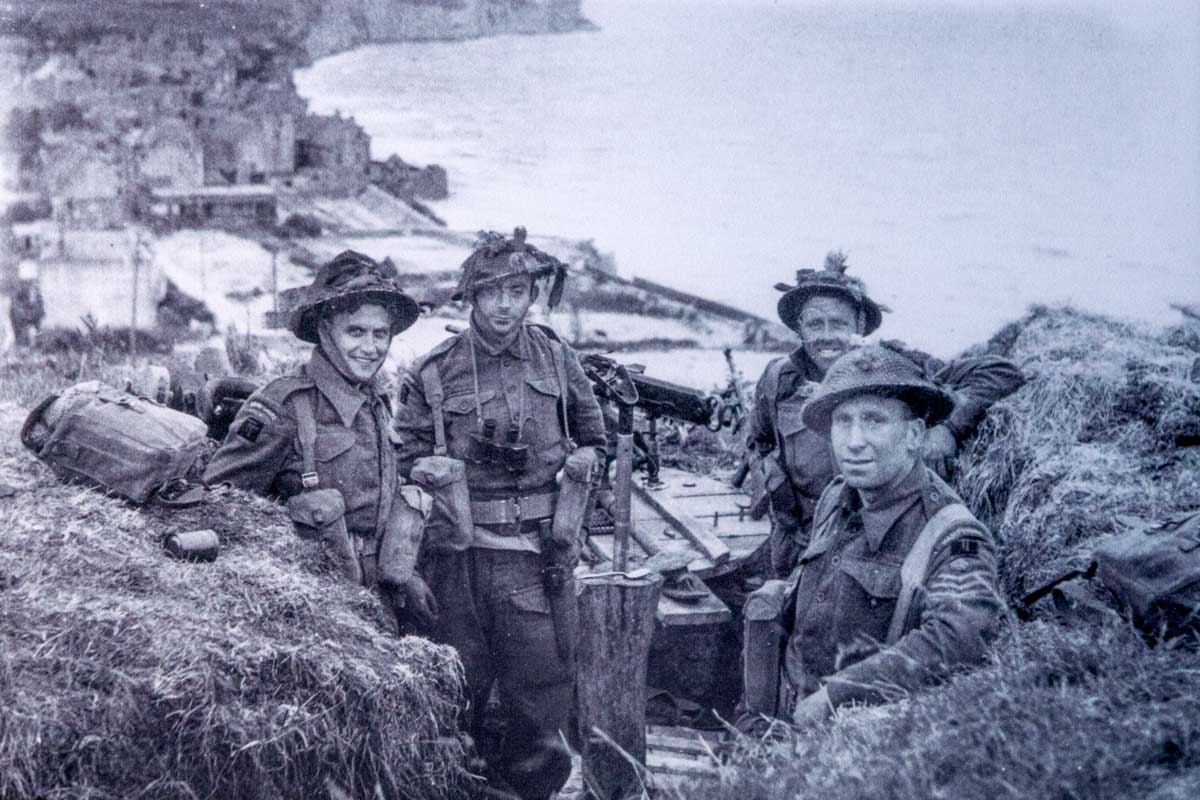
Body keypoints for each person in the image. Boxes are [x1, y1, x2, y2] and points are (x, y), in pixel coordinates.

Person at [392, 228, 606, 800]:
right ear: (471, 298)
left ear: (532, 294)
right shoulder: (434, 372)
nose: (505, 304)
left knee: (540, 698)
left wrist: (581, 474)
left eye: (517, 290)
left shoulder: (558, 359)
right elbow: (407, 459)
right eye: (492, 292)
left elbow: (594, 438)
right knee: (456, 692)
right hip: (458, 558)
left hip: (535, 559)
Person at [742, 345, 1004, 728]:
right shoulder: (837, 496)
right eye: (843, 422)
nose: (854, 441)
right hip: (782, 717)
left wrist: (837, 694)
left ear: (914, 435)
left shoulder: (950, 535)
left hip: (848, 737)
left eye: (875, 421)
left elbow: (960, 637)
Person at [749, 252, 1024, 578]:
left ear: (859, 327)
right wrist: (770, 482)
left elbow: (998, 372)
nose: (826, 336)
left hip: (872, 551)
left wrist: (948, 429)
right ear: (800, 329)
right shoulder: (779, 379)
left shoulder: (893, 368)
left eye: (838, 324)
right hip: (797, 545)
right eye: (814, 324)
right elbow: (760, 440)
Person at [204, 250, 436, 624]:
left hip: (375, 600)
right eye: (355, 332)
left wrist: (406, 575)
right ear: (325, 329)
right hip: (311, 610)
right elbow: (220, 505)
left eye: (381, 334)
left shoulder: (375, 401)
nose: (371, 347)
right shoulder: (284, 405)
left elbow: (378, 503)